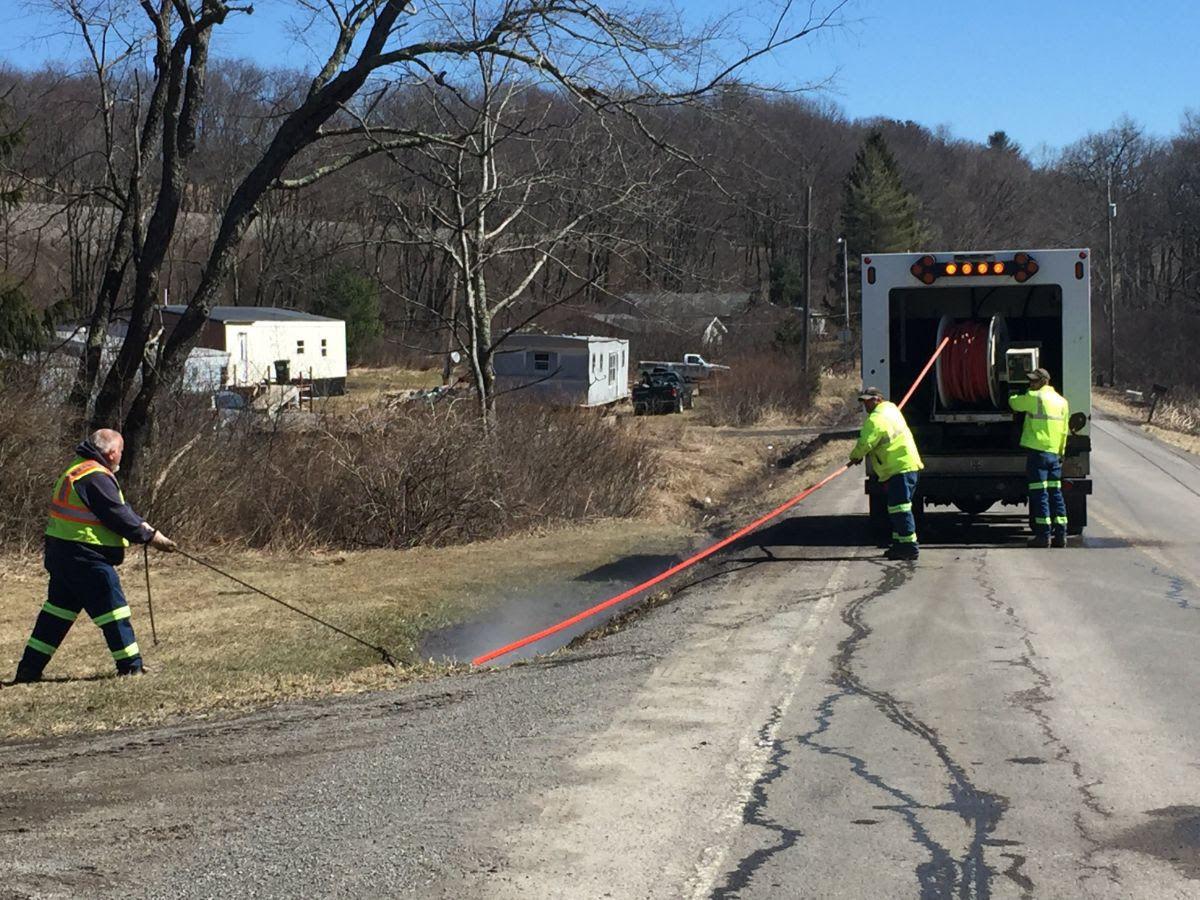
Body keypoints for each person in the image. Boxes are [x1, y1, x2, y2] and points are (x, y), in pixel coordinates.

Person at [12, 429, 178, 684]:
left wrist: (145, 529)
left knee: (56, 615)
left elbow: (120, 511)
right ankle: (131, 667)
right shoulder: (95, 476)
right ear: (111, 453)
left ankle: (28, 671)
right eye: (120, 451)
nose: (121, 456)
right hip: (86, 556)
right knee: (114, 612)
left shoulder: (78, 469)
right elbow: (117, 514)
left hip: (63, 554)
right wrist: (151, 537)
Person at [849, 387, 924, 561]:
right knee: (897, 509)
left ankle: (909, 547)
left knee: (900, 508)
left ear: (877, 399)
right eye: (863, 401)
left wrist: (855, 457)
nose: (865, 404)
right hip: (907, 466)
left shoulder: (876, 419)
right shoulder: (891, 409)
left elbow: (865, 442)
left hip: (898, 469)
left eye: (868, 401)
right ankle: (899, 544)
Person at [1008, 367, 1069, 548]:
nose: (1031, 383)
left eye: (1033, 381)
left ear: (1043, 381)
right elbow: (1064, 431)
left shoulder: (1035, 398)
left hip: (1038, 453)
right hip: (1054, 454)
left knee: (1040, 494)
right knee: (1055, 494)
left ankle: (1043, 536)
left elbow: (1014, 403)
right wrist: (1061, 452)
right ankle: (1061, 535)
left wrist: (1018, 391)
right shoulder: (1062, 402)